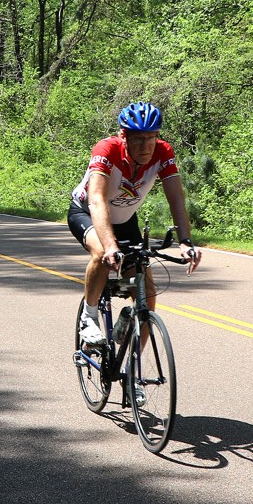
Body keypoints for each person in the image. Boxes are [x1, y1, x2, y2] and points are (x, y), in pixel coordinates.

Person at [68, 102, 201, 346]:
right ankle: (89, 316)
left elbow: (176, 198)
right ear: (123, 136)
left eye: (151, 138)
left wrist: (185, 240)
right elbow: (97, 200)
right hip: (87, 213)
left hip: (125, 221)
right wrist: (110, 246)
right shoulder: (107, 149)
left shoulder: (163, 153)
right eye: (138, 139)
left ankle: (132, 374)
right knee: (99, 252)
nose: (146, 146)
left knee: (146, 298)